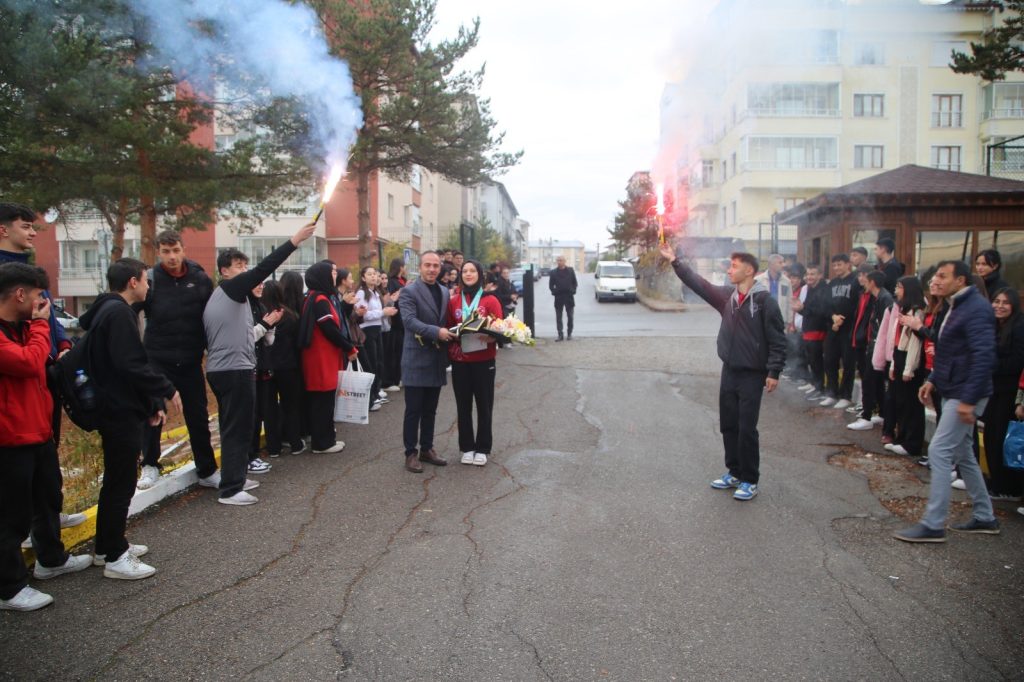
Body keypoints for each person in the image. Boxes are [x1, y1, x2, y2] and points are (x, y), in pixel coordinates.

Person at [659, 242, 786, 501]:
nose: (729, 270)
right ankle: (734, 472)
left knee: (746, 427)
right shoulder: (727, 297)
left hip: (753, 374)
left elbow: (777, 339)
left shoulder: (764, 301)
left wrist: (773, 371)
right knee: (729, 424)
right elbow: (700, 285)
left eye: (734, 266)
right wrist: (676, 261)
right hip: (730, 370)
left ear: (749, 271)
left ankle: (750, 479)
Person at [80, 259, 180, 577]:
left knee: (118, 479)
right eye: (146, 281)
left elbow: (123, 366)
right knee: (121, 482)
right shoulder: (119, 313)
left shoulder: (107, 310)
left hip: (117, 406)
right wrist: (164, 389)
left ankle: (108, 545)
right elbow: (131, 364)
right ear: (133, 282)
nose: (149, 286)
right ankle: (115, 557)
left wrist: (149, 404)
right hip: (117, 410)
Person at [203, 222, 315, 506]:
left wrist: (267, 325)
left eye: (245, 265)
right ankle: (230, 489)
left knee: (240, 426)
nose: (245, 271)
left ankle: (236, 476)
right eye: (238, 266)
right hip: (231, 370)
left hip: (235, 367)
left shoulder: (235, 298)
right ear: (224, 271)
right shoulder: (229, 290)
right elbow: (264, 268)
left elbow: (254, 336)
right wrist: (295, 240)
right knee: (236, 428)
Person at [0, 263, 91, 611]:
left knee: (48, 498)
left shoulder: (24, 328)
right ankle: (9, 589)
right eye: (39, 296)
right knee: (12, 517)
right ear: (20, 294)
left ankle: (51, 559)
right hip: (10, 440)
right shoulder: (20, 332)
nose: (43, 304)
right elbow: (27, 363)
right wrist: (41, 326)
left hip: (38, 432)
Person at [894, 260, 999, 542]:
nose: (935, 281)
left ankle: (933, 524)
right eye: (935, 275)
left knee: (940, 451)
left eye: (942, 276)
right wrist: (932, 381)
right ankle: (985, 516)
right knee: (963, 452)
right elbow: (946, 350)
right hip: (953, 388)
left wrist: (968, 399)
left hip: (966, 392)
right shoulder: (954, 305)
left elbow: (983, 356)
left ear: (961, 280)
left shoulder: (976, 309)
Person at [0, 205, 86, 541]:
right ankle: (25, 530)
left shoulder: (32, 271)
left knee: (46, 453)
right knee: (21, 466)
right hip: (20, 372)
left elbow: (47, 319)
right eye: (26, 227)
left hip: (44, 367)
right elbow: (30, 328)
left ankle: (47, 521)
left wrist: (61, 343)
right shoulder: (8, 279)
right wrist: (39, 336)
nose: (33, 233)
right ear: (4, 230)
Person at [137, 230, 216, 491]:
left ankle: (206, 469)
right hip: (157, 358)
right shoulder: (150, 280)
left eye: (176, 250)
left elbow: (212, 315)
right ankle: (149, 465)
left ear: (183, 249)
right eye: (166, 252)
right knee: (153, 411)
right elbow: (130, 311)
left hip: (191, 359)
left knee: (197, 414)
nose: (172, 257)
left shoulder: (200, 279)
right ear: (158, 252)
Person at [398, 252, 453, 473]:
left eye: (435, 266)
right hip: (415, 358)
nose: (432, 269)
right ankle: (410, 453)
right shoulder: (409, 291)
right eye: (428, 265)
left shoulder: (444, 291)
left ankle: (427, 449)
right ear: (420, 267)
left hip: (436, 358)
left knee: (431, 409)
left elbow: (447, 320)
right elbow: (409, 321)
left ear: (440, 268)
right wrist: (436, 332)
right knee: (413, 410)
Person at [447, 260, 504, 467]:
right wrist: (453, 334)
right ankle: (467, 447)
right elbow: (447, 327)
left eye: (472, 271)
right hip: (460, 361)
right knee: (463, 405)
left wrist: (493, 337)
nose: (468, 274)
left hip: (484, 360)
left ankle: (483, 448)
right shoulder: (454, 301)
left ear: (480, 275)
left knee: (484, 405)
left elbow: (501, 328)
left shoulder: (491, 300)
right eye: (465, 271)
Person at [298, 261, 355, 454]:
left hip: (320, 355)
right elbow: (329, 329)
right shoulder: (321, 299)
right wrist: (349, 347)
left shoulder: (314, 296)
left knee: (322, 399)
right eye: (331, 272)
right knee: (323, 399)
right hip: (320, 357)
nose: (334, 275)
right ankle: (323, 443)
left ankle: (324, 439)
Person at [873, 277, 927, 458]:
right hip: (898, 356)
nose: (896, 290)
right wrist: (893, 365)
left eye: (900, 287)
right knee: (900, 402)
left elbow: (915, 344)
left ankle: (912, 443)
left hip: (909, 360)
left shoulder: (918, 312)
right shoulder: (901, 308)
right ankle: (901, 438)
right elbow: (895, 339)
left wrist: (908, 369)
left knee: (911, 404)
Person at [979, 288, 1024, 499]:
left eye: (1005, 302)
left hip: (1009, 392)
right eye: (996, 301)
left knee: (1001, 437)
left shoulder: (1019, 326)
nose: (999, 305)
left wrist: (991, 365)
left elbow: (1017, 361)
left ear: (1014, 305)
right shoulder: (994, 326)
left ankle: (1007, 487)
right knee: (990, 435)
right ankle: (996, 482)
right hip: (993, 389)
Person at [263, 276, 305, 457]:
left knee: (269, 408)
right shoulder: (290, 315)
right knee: (291, 406)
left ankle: (273, 447)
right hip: (289, 366)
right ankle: (295, 443)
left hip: (267, 368)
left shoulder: (263, 314)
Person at [848, 271, 893, 431]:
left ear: (872, 282)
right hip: (873, 345)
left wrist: (875, 347)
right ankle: (881, 413)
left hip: (877, 347)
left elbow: (884, 328)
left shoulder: (884, 298)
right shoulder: (877, 297)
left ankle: (866, 416)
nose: (862, 283)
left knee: (869, 381)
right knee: (876, 382)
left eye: (865, 280)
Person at [354, 267, 397, 414]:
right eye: (370, 274)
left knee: (379, 361)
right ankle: (370, 398)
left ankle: (376, 393)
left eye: (375, 274)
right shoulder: (361, 292)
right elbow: (363, 315)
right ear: (363, 277)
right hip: (367, 330)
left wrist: (387, 311)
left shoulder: (376, 293)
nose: (374, 277)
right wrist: (382, 312)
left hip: (377, 328)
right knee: (371, 363)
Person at [248, 281, 280, 474]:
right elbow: (245, 338)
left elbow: (268, 341)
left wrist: (271, 325)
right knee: (250, 414)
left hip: (262, 366)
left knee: (260, 412)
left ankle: (254, 455)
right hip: (247, 366)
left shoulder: (261, 306)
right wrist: (264, 325)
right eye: (256, 283)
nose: (260, 286)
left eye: (262, 284)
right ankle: (249, 456)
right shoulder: (242, 307)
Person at [821, 253, 860, 409]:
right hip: (833, 327)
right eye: (834, 265)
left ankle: (846, 395)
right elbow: (826, 304)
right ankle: (832, 392)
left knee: (848, 363)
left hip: (849, 328)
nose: (837, 267)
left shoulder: (855, 282)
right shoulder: (832, 283)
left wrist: (842, 319)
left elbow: (856, 305)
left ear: (847, 265)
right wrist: (833, 317)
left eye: (840, 264)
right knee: (830, 360)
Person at [794, 264, 829, 401]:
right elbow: (807, 309)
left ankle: (820, 388)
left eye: (813, 274)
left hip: (818, 329)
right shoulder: (809, 288)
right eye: (808, 274)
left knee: (817, 359)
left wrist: (803, 308)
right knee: (811, 359)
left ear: (820, 275)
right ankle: (815, 384)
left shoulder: (823, 289)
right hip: (808, 327)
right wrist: (801, 309)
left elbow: (821, 311)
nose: (809, 277)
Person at [382, 258, 407, 392]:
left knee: (399, 351)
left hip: (400, 321)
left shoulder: (401, 281)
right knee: (393, 352)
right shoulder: (393, 283)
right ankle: (390, 380)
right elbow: (391, 300)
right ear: (400, 267)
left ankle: (398, 377)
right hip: (394, 321)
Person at [755, 254, 792, 332]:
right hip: (763, 320)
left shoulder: (786, 281)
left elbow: (789, 302)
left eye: (783, 262)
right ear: (771, 265)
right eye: (780, 263)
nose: (783, 265)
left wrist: (789, 321)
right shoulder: (758, 280)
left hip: (781, 320)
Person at [549, 255, 577, 341]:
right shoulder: (553, 272)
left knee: (570, 317)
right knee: (558, 318)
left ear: (565, 261)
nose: (559, 262)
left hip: (569, 297)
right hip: (559, 298)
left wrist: (572, 291)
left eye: (561, 260)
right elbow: (551, 285)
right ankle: (560, 335)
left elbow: (575, 283)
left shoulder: (570, 270)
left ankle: (569, 334)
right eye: (558, 260)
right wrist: (555, 292)